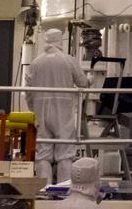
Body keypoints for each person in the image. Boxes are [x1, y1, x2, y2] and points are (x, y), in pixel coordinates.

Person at [26, 28, 89, 186]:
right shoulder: (68, 60)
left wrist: (33, 110)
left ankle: (43, 190)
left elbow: (27, 91)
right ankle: (63, 191)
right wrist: (90, 80)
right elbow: (83, 83)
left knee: (43, 153)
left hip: (40, 111)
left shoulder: (35, 63)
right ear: (60, 41)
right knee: (65, 152)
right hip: (63, 111)